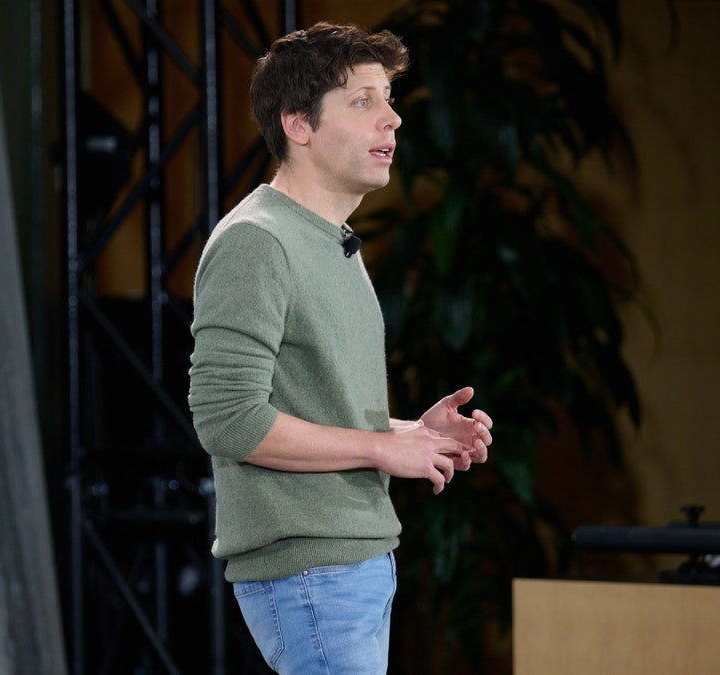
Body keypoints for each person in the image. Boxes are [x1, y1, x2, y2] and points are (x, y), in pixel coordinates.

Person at [187, 22, 493, 674]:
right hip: (310, 567)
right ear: (298, 123)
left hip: (349, 561)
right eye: (363, 101)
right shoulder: (258, 241)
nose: (393, 117)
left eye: (388, 97)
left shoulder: (331, 241)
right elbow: (228, 418)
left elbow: (303, 406)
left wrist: (411, 431)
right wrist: (382, 447)